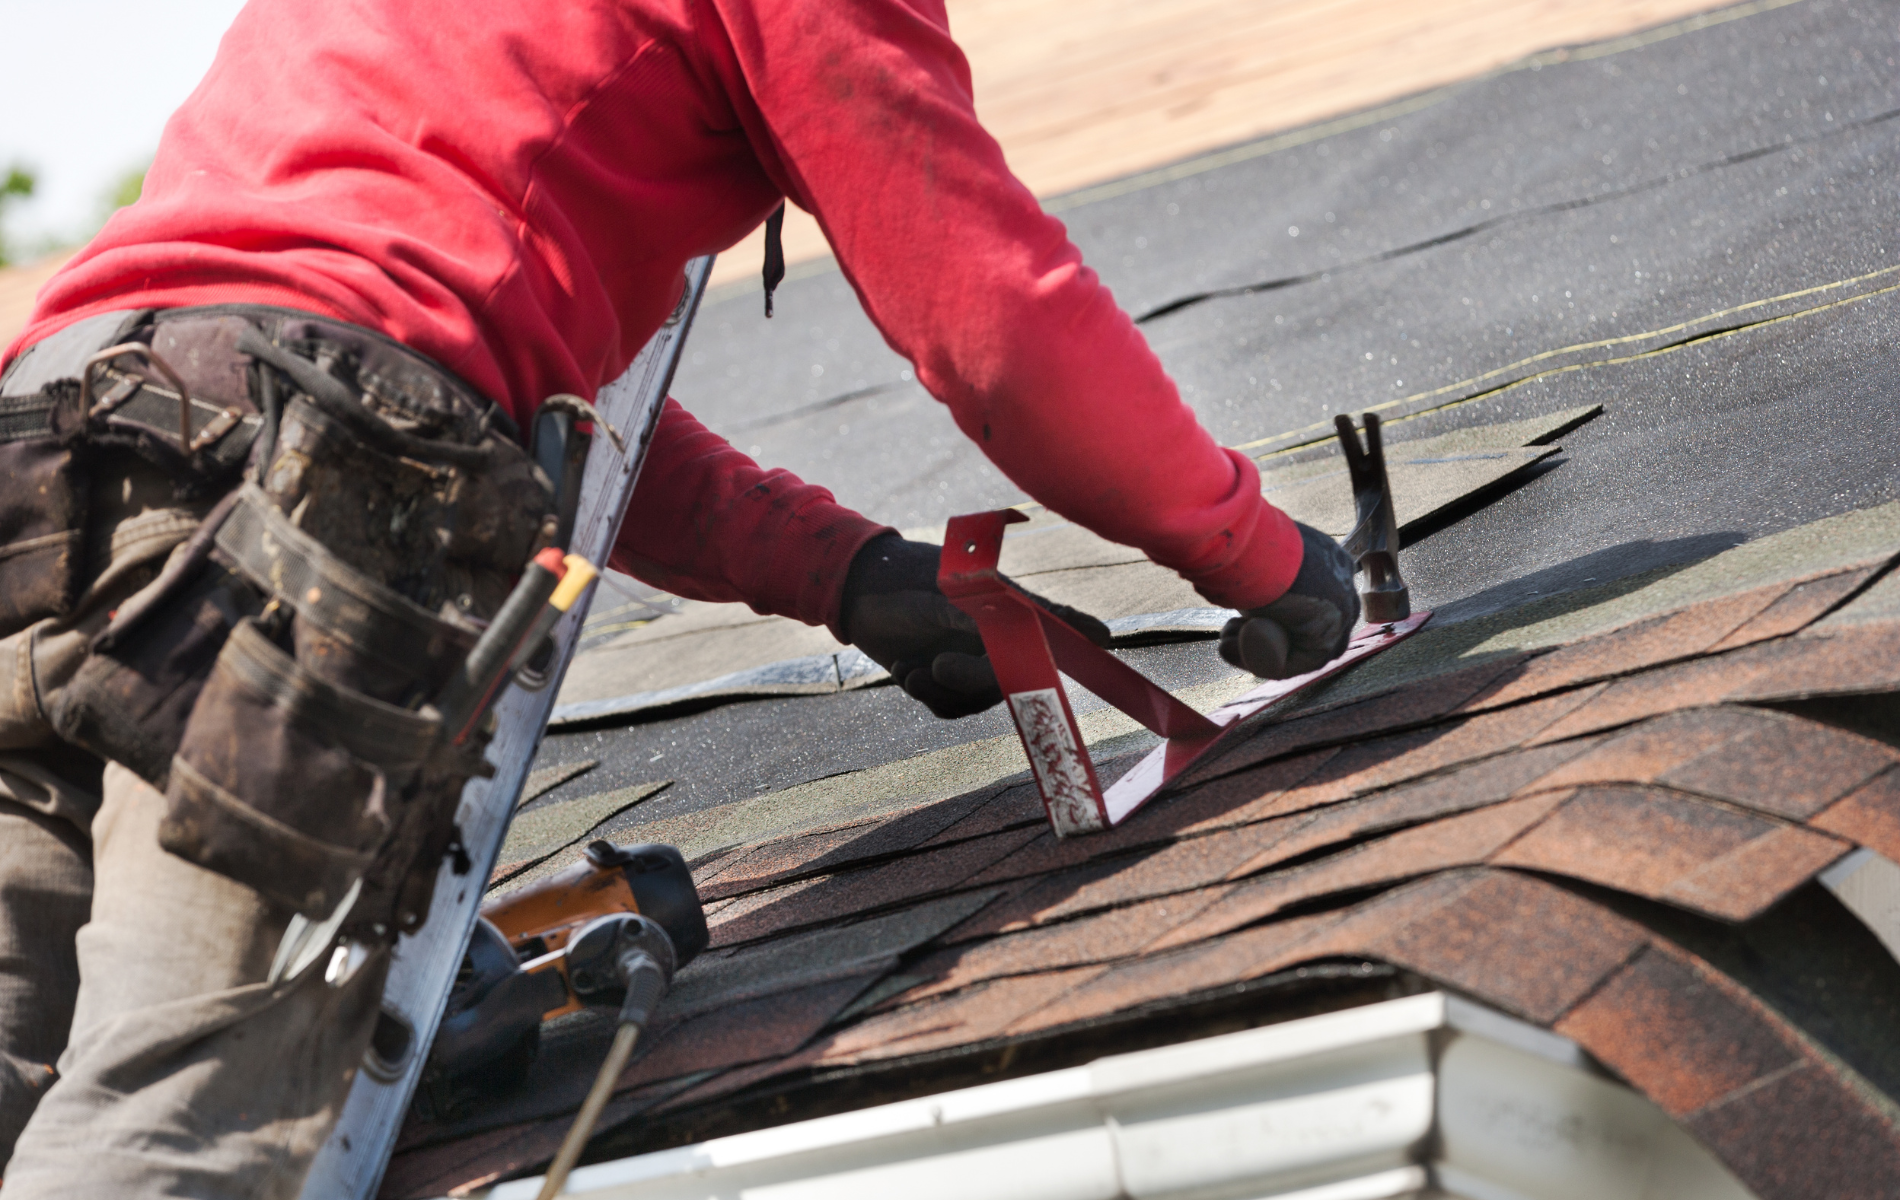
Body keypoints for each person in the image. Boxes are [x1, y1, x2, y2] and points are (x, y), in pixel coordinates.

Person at [0, 0, 1359, 1192]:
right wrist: (1254, 553)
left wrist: (843, 572)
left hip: (51, 441)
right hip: (314, 497)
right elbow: (992, 323)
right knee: (176, 1111)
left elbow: (480, 381)